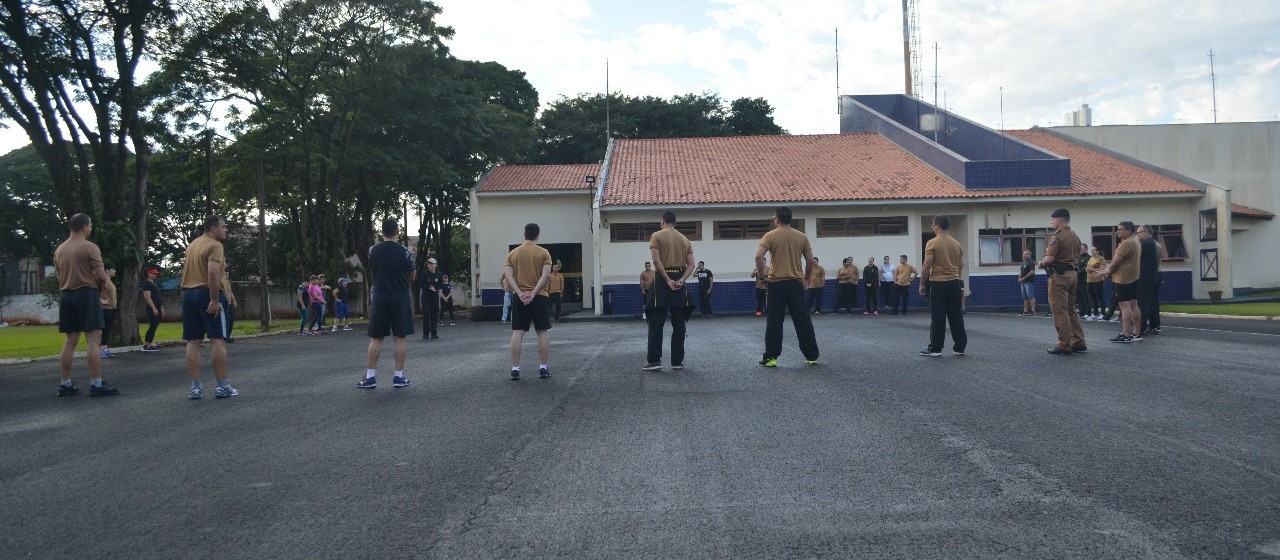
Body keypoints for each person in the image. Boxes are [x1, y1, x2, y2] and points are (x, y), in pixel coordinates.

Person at [53, 213, 121, 397]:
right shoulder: (89, 247)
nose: (91, 229)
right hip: (86, 293)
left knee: (70, 340)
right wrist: (98, 291)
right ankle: (96, 383)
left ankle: (65, 382)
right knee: (94, 339)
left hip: (66, 294)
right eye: (90, 226)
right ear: (84, 227)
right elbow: (101, 277)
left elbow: (59, 277)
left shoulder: (60, 249)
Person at [181, 215, 236, 399]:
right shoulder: (215, 245)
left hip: (188, 294)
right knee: (218, 339)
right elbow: (212, 273)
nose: (225, 230)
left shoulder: (193, 245)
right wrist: (214, 299)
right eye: (223, 226)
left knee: (193, 341)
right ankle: (222, 387)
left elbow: (186, 272)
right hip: (207, 293)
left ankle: (195, 388)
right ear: (213, 228)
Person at [756, 206, 819, 367]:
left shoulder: (770, 236)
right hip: (795, 283)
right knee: (802, 319)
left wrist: (763, 276)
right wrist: (805, 277)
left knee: (774, 321)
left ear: (777, 219)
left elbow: (758, 256)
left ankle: (771, 357)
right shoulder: (801, 236)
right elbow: (811, 261)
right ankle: (811, 356)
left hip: (776, 283)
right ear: (790, 219)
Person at [359, 219, 416, 389]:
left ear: (382, 232)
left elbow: (373, 269)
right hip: (400, 298)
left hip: (380, 298)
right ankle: (398, 377)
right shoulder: (407, 253)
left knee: (376, 338)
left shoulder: (372, 251)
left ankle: (370, 377)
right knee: (400, 337)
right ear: (397, 230)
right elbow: (412, 277)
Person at [644, 211, 695, 371]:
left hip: (662, 279)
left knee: (656, 323)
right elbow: (691, 265)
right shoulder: (685, 239)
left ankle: (654, 361)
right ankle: (677, 361)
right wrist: (681, 280)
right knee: (679, 324)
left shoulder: (656, 236)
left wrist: (667, 280)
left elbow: (655, 260)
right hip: (680, 279)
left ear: (663, 221)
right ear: (675, 222)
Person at [505, 222, 554, 380]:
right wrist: (533, 293)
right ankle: (543, 368)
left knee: (518, 332)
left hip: (519, 298)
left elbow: (508, 276)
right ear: (537, 235)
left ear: (524, 234)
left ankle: (515, 369)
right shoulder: (544, 253)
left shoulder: (513, 254)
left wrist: (520, 294)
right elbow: (545, 275)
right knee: (542, 331)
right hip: (540, 296)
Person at [1040, 209, 1087, 355]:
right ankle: (1078, 341)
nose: (1051, 222)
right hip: (1073, 275)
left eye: (1053, 220)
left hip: (1059, 276)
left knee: (1059, 311)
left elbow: (1049, 259)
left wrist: (1041, 263)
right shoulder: (1074, 236)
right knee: (1070, 309)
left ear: (1059, 220)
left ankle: (1064, 344)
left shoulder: (1057, 237)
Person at [920, 215, 967, 356]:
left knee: (938, 316)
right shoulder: (956, 244)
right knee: (956, 315)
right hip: (954, 282)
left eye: (933, 226)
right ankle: (960, 347)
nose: (933, 228)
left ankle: (936, 348)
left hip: (938, 283)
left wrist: (922, 283)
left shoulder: (932, 243)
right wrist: (956, 277)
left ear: (938, 226)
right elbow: (961, 265)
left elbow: (927, 265)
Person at [1093, 221, 1142, 343]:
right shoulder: (1136, 241)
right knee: (1134, 305)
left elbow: (1115, 263)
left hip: (1123, 279)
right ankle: (1136, 332)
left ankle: (1126, 334)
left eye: (1120, 229)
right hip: (1134, 277)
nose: (1117, 232)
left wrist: (1107, 272)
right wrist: (1104, 272)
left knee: (1124, 305)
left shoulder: (1125, 243)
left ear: (1129, 230)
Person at [1136, 225, 1162, 336]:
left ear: (1146, 232)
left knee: (1144, 303)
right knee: (1152, 301)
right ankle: (1154, 325)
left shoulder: (1147, 244)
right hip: (1153, 275)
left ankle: (1142, 327)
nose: (1137, 235)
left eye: (1139, 232)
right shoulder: (1155, 243)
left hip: (1146, 276)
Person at [140, 267, 164, 351]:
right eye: (153, 273)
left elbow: (158, 297)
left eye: (156, 274)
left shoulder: (153, 284)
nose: (155, 275)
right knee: (153, 325)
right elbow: (147, 297)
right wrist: (154, 308)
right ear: (149, 274)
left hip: (158, 307)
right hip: (152, 308)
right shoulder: (146, 284)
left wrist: (161, 307)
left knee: (155, 326)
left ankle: (149, 343)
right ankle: (147, 344)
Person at [419, 257, 442, 339]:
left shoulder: (438, 274)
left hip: (434, 297)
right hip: (426, 297)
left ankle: (434, 333)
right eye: (429, 264)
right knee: (426, 314)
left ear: (435, 265)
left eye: (432, 264)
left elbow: (440, 285)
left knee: (434, 315)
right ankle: (425, 333)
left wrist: (435, 289)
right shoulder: (425, 274)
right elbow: (421, 284)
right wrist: (429, 287)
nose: (430, 265)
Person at [98, 263, 118, 358]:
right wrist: (102, 300)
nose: (115, 271)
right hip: (105, 309)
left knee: (107, 330)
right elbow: (94, 292)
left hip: (112, 308)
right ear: (106, 270)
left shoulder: (110, 282)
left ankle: (105, 349)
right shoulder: (103, 281)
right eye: (113, 269)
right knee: (103, 330)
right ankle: (100, 350)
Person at [1085, 247, 1106, 319]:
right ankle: (1095, 313)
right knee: (1092, 298)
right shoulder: (1091, 258)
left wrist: (1092, 269)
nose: (1092, 252)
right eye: (1091, 250)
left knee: (1100, 297)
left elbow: (1103, 268)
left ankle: (1103, 313)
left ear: (1098, 251)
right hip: (1089, 280)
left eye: (1093, 250)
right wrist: (1088, 270)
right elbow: (1087, 268)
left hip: (1098, 280)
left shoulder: (1101, 258)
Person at [1018, 249, 1037, 315]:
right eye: (1023, 254)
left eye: (1025, 254)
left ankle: (1033, 311)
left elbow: (1032, 272)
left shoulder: (1031, 262)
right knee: (1025, 297)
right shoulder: (1024, 262)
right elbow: (1021, 271)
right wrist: (1019, 278)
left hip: (1029, 282)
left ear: (1029, 255)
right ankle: (1025, 311)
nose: (1024, 255)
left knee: (1031, 296)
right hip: (1023, 282)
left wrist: (1024, 278)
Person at [1075, 243, 1091, 319]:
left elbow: (1084, 269)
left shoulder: (1088, 258)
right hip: (1077, 281)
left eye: (1081, 249)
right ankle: (1082, 312)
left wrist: (1076, 274)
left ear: (1086, 249)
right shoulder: (1079, 258)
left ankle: (1088, 313)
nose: (1080, 251)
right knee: (1080, 297)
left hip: (1084, 280)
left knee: (1085, 297)